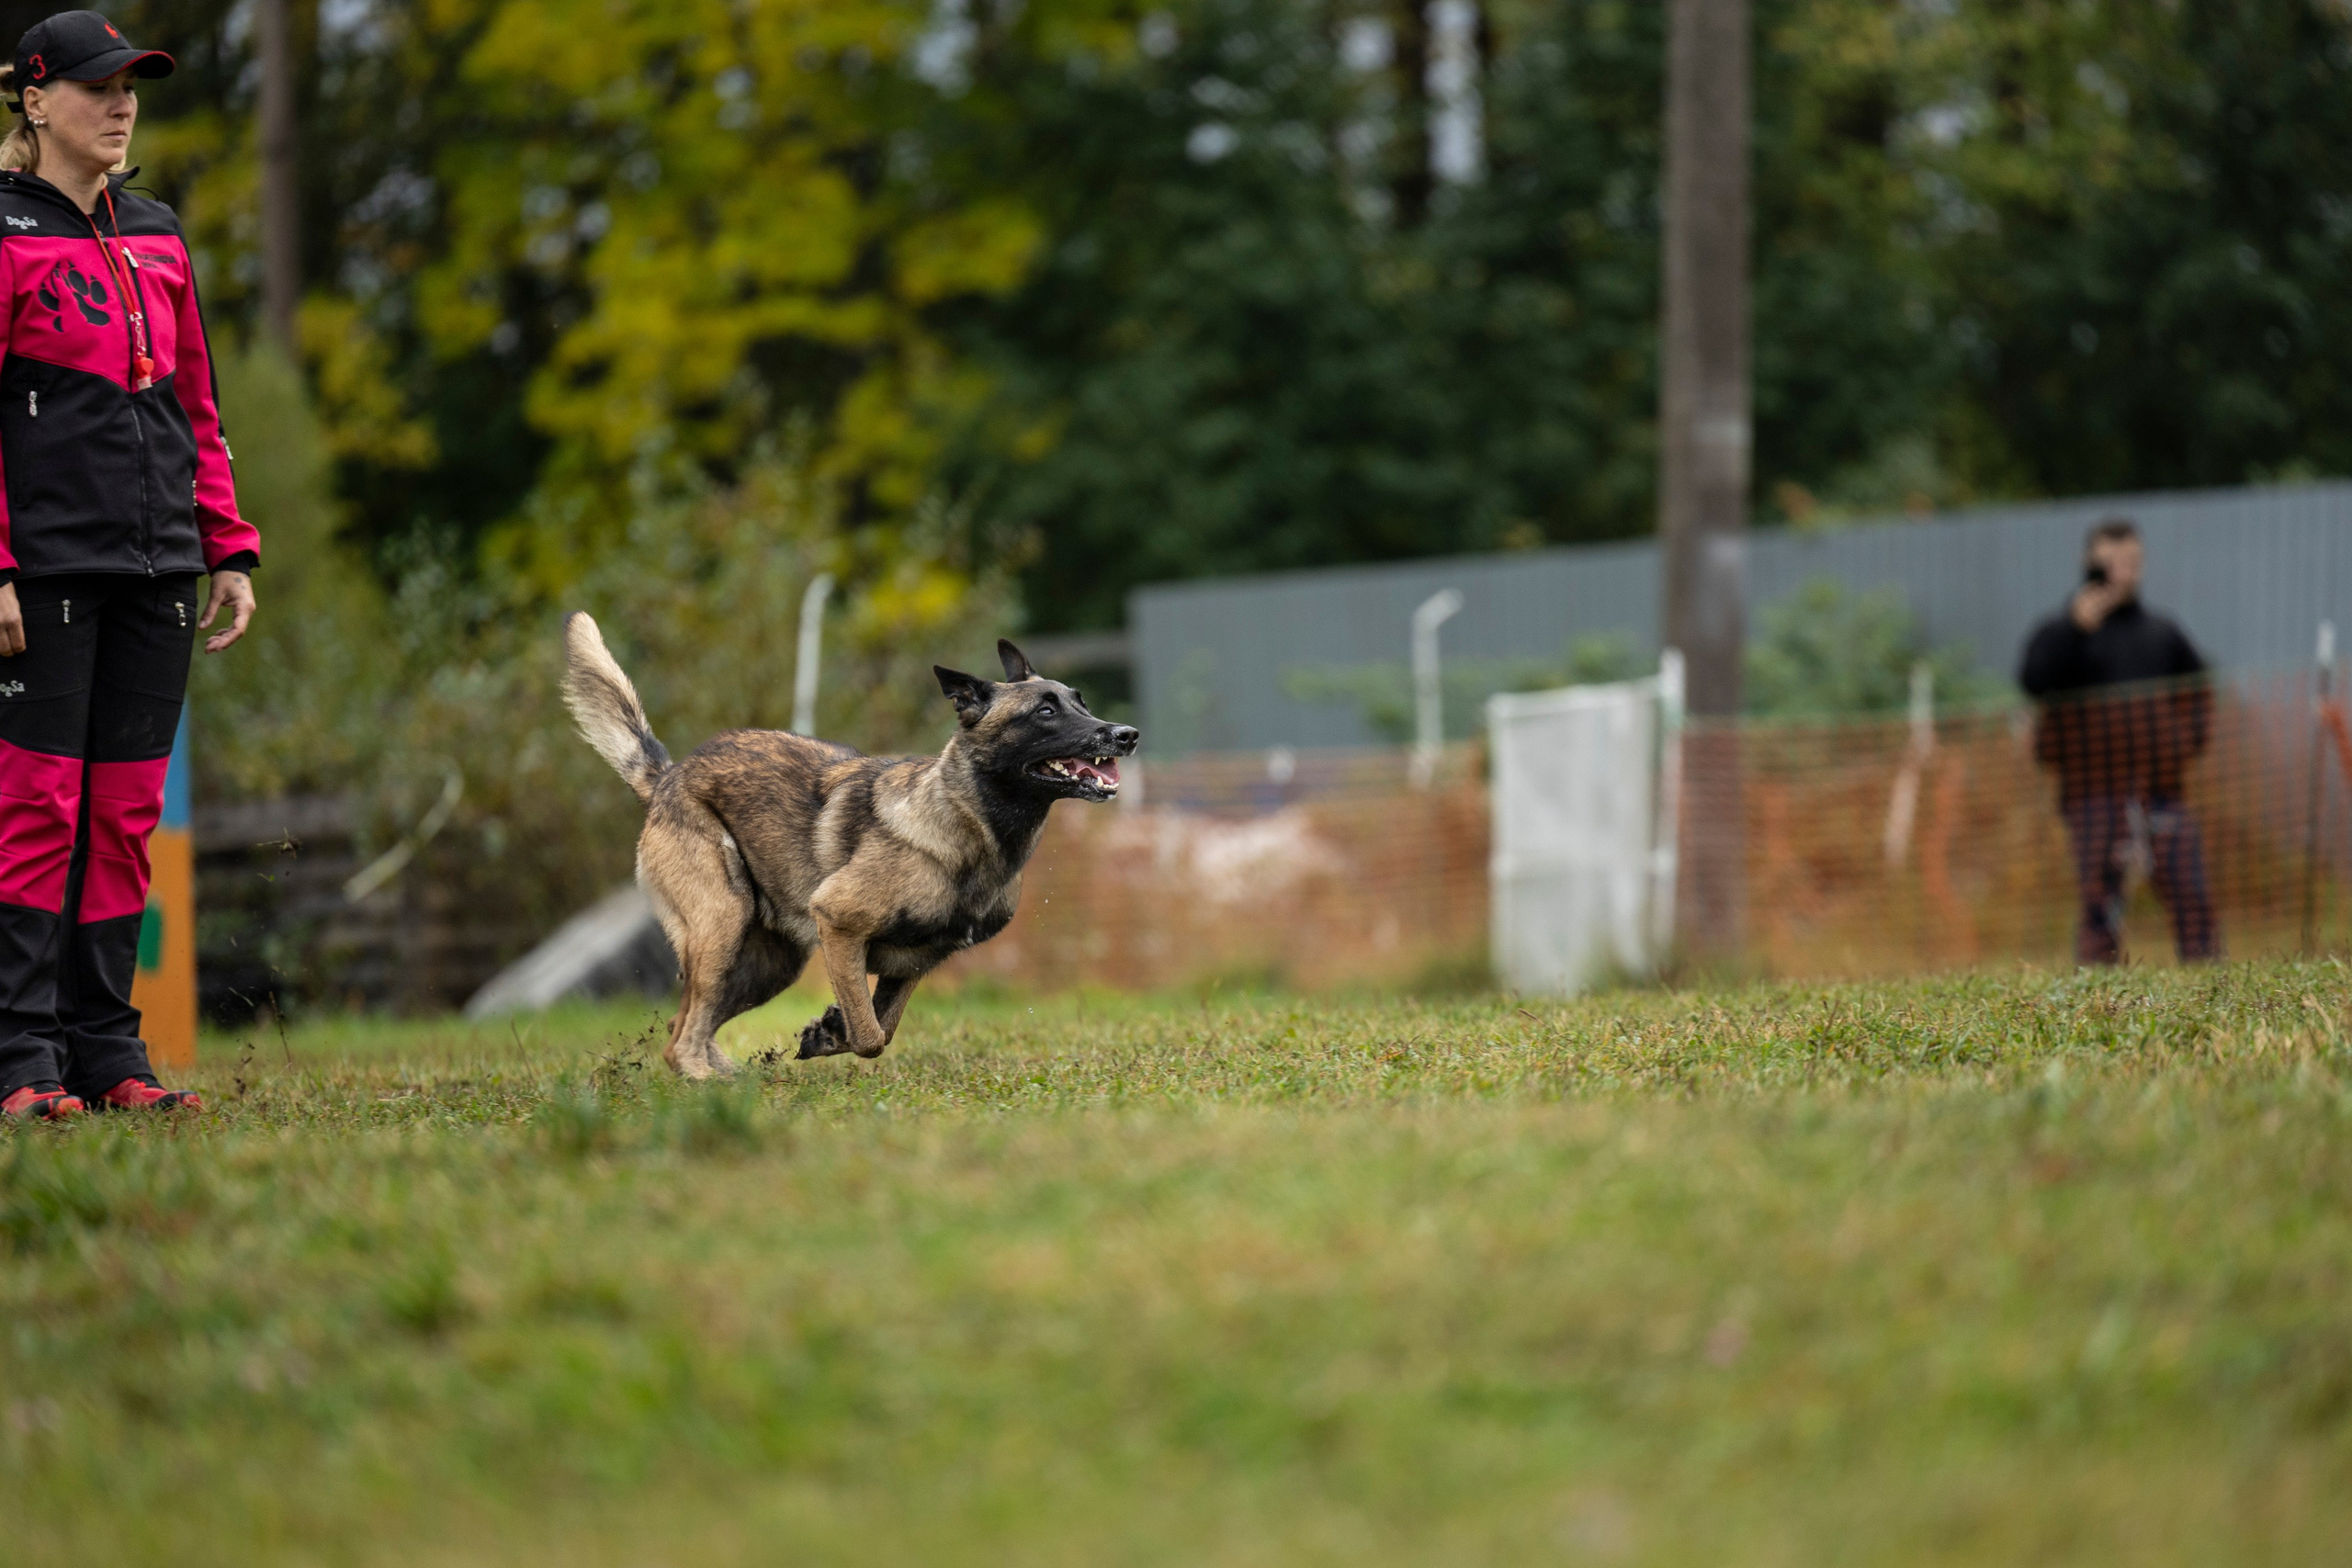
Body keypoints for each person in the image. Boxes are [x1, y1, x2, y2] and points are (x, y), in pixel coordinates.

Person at [0, 12, 258, 1120]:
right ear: (35, 99)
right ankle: (21, 1062)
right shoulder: (2, 231)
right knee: (37, 810)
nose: (121, 104)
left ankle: (110, 1056)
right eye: (99, 86)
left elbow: (196, 403)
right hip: (43, 573)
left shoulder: (157, 232)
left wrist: (228, 549)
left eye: (132, 87)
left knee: (120, 815)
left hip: (159, 569)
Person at [2018, 518, 2213, 965]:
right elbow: (2034, 682)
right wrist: (2074, 630)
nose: (2123, 572)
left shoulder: (2162, 634)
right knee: (2099, 903)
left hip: (2161, 790)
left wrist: (2184, 744)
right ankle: (2097, 998)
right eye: (2112, 563)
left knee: (2191, 891)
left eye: (2132, 562)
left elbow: (2198, 693)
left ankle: (2209, 983)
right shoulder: (2058, 632)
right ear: (2091, 564)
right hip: (2091, 793)